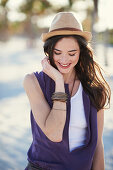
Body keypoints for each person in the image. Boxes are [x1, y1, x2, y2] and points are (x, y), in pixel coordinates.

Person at [23, 12, 111, 170]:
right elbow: (55, 133)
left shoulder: (95, 89)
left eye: (72, 53)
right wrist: (58, 80)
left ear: (81, 52)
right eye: (57, 53)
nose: (64, 60)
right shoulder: (33, 82)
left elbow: (98, 145)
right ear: (49, 51)